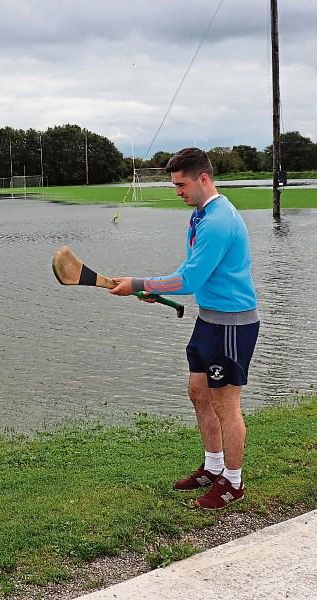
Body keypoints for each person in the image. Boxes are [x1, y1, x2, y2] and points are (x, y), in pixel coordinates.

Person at [109, 147, 259, 510]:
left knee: (226, 403)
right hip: (208, 319)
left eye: (181, 184)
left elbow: (189, 279)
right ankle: (212, 467)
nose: (177, 191)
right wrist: (151, 288)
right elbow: (189, 268)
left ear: (203, 178)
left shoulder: (220, 220)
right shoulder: (201, 216)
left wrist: (140, 282)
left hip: (232, 326)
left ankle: (233, 483)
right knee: (198, 393)